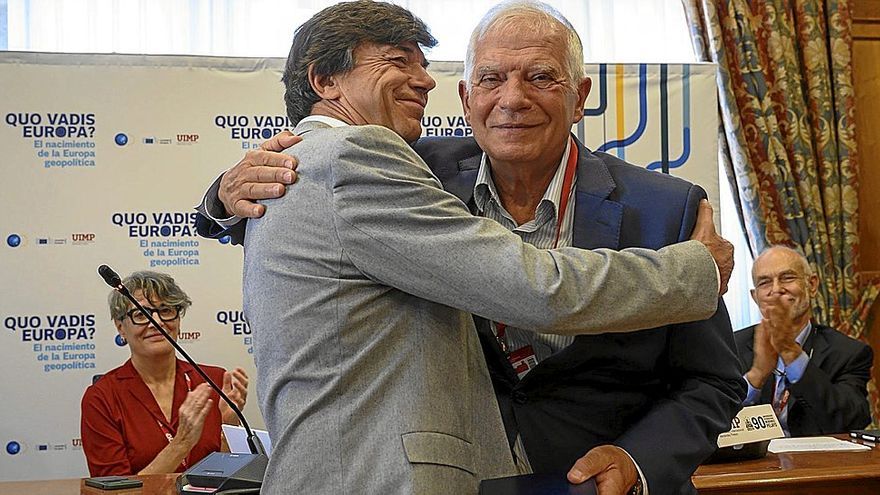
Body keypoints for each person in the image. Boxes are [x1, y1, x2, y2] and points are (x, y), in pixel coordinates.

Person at [197, 2, 740, 494]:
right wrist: (222, 197)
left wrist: (640, 461)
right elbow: (535, 287)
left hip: (598, 481)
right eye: (491, 78)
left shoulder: (668, 207)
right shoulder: (399, 166)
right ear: (467, 96)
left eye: (541, 77)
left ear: (579, 98)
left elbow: (712, 378)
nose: (513, 98)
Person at [80, 271, 249, 476]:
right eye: (141, 314)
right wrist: (181, 443)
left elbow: (230, 480)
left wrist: (229, 428)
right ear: (120, 328)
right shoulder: (102, 397)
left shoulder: (213, 381)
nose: (157, 322)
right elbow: (115, 491)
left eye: (166, 310)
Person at [736, 245, 872, 437]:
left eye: (787, 278)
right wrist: (756, 375)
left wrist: (792, 353)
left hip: (816, 463)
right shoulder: (731, 347)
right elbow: (709, 417)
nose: (776, 290)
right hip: (751, 463)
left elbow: (850, 420)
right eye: (765, 282)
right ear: (755, 296)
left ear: (812, 285)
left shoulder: (847, 352)